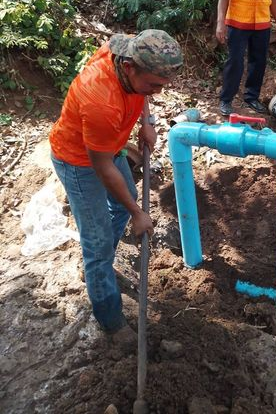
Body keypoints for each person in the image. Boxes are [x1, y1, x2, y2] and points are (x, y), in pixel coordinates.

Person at [49, 29, 183, 348]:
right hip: (79, 160)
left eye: (163, 86)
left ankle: (101, 265)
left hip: (111, 144)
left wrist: (146, 122)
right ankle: (110, 320)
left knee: (125, 202)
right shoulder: (100, 100)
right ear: (129, 68)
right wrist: (139, 215)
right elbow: (103, 167)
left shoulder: (132, 48)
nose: (157, 92)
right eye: (153, 85)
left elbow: (144, 92)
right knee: (96, 241)